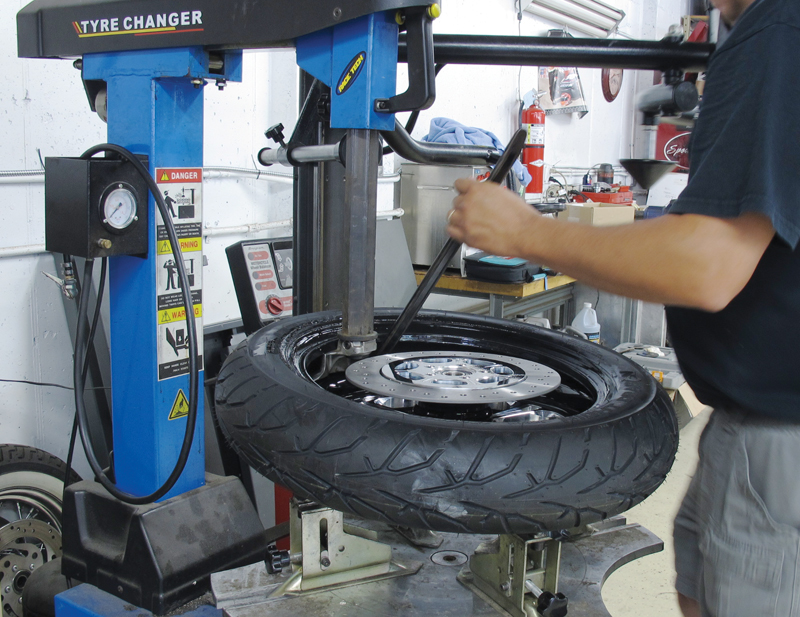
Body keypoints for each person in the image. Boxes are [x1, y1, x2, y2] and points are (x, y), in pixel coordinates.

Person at [446, 0, 800, 615]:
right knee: (699, 592)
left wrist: (526, 233)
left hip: (781, 447)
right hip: (751, 431)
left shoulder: (780, 27)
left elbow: (706, 265)